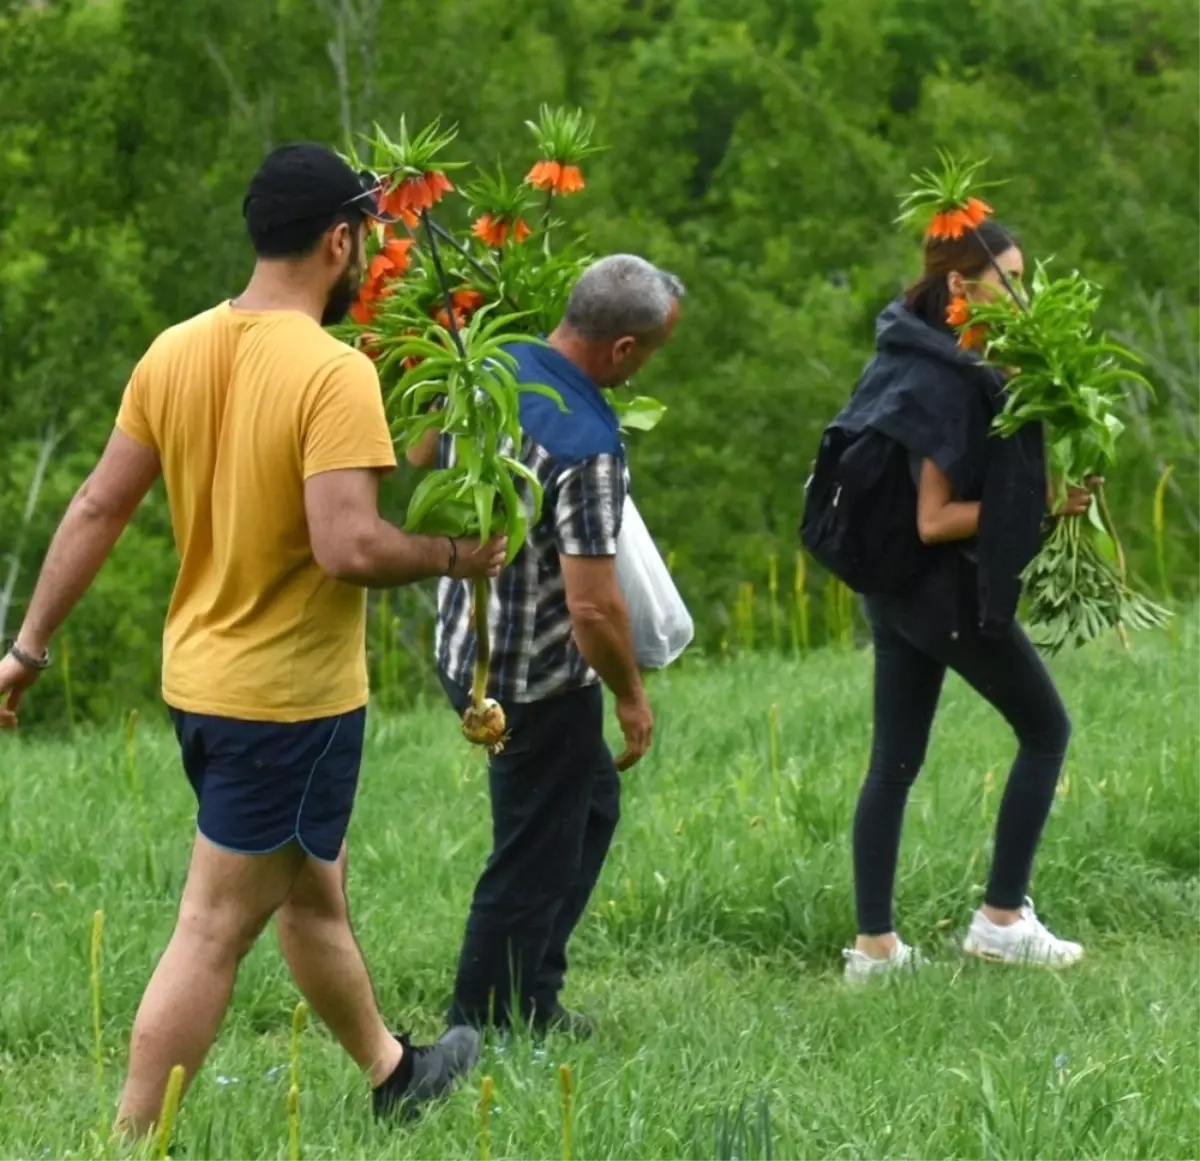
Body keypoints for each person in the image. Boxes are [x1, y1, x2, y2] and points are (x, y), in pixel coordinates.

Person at [0, 142, 507, 1136]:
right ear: (339, 240)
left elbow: (100, 506)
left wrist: (26, 650)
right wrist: (457, 554)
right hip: (288, 703)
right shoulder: (333, 372)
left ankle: (394, 1072)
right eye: (364, 236)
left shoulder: (176, 348)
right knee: (214, 928)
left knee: (311, 886)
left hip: (200, 682)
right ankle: (133, 1139)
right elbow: (349, 544)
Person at [407, 254, 685, 1035]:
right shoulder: (590, 443)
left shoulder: (490, 362)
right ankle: (483, 1022)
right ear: (623, 349)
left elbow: (420, 454)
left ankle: (531, 989)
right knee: (531, 851)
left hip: (469, 644)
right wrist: (631, 696)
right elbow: (593, 607)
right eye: (650, 354)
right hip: (535, 681)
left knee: (586, 808)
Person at [835, 217, 1092, 984]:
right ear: (960, 285)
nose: (1022, 293)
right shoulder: (938, 379)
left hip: (897, 592)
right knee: (1047, 729)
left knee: (894, 763)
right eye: (1008, 279)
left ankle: (874, 952)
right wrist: (1037, 505)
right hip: (934, 590)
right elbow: (935, 518)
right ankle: (1002, 921)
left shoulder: (926, 350)